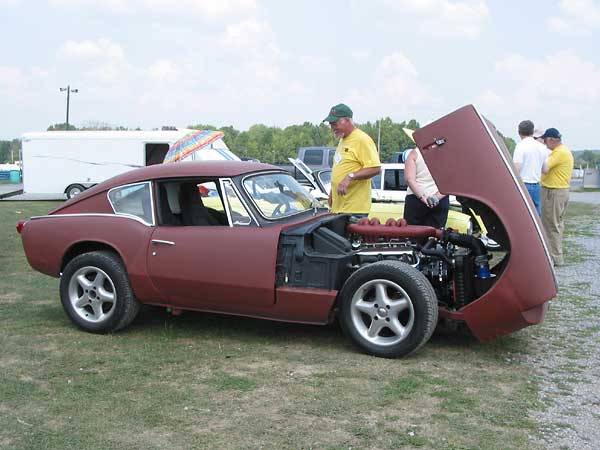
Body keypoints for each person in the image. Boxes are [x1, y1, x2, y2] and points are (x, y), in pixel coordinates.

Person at [323, 103, 381, 215]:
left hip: (354, 210)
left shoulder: (362, 139)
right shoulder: (342, 140)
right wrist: (332, 192)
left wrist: (350, 177)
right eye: (330, 125)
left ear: (348, 120)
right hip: (339, 208)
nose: (332, 128)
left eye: (334, 124)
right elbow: (340, 168)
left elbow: (376, 168)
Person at [539, 127, 574, 266]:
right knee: (556, 224)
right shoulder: (563, 151)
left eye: (546, 140)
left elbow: (545, 168)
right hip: (559, 191)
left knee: (551, 225)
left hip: (554, 191)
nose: (545, 143)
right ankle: (555, 255)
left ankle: (555, 257)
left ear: (552, 140)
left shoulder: (559, 153)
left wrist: (539, 154)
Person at [402, 147, 449, 228]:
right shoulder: (447, 154)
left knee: (413, 235)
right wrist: (436, 197)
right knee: (436, 235)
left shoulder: (414, 153)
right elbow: (450, 181)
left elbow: (409, 179)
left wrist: (422, 197)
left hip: (416, 199)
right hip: (440, 200)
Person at [512, 120, 549, 215]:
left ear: (519, 132)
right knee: (536, 214)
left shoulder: (520, 146)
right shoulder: (542, 147)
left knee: (522, 214)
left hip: (523, 185)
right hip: (536, 185)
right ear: (532, 132)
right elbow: (546, 169)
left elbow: (517, 169)